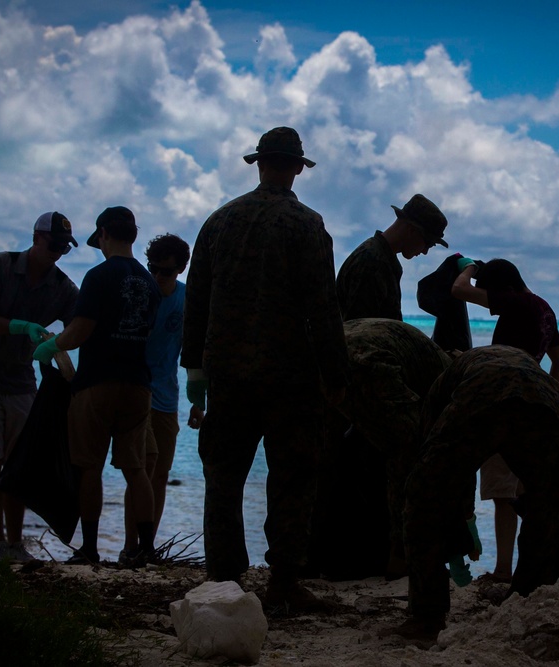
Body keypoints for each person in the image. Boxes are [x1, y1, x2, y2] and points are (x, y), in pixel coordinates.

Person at [180, 127, 349, 611]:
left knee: (224, 478)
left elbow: (197, 303)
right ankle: (283, 584)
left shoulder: (219, 222)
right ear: (297, 167)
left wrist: (194, 369)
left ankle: (224, 581)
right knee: (292, 478)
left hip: (228, 375)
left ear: (259, 163)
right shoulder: (306, 224)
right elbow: (323, 308)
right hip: (290, 378)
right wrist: (337, 378)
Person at [393, 345, 559, 643]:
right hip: (539, 404)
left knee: (421, 493)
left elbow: (432, 466)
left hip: (482, 398)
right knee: (547, 503)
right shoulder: (529, 367)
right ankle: (529, 597)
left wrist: (461, 518)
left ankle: (427, 617)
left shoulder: (449, 379)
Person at [33, 206, 161, 566]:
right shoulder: (149, 282)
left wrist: (51, 345)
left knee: (90, 466)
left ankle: (90, 549)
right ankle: (145, 548)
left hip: (97, 384)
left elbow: (80, 331)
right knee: (136, 468)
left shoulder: (98, 276)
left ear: (103, 234)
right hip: (138, 384)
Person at [0, 211, 79, 562]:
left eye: (64, 247)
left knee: (19, 466)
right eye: (54, 244)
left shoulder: (63, 288)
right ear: (36, 238)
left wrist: (56, 345)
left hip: (23, 382)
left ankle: (15, 543)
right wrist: (21, 327)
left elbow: (80, 325)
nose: (57, 252)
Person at [450, 256, 559, 584]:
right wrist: (547, 396)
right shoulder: (544, 308)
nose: (491, 305)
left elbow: (459, 290)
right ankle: (534, 566)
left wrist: (470, 266)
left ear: (502, 287)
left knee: (503, 494)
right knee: (525, 491)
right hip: (532, 407)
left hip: (504, 403)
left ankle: (503, 569)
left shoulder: (515, 302)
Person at [319, 318, 453, 580]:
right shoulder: (446, 382)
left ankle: (319, 558)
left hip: (325, 349)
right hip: (364, 361)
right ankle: (399, 557)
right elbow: (409, 451)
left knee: (333, 455)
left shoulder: (429, 368)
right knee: (406, 458)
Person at [121, 233, 192, 562]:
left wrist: (200, 399)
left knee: (159, 474)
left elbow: (194, 353)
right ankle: (130, 546)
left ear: (180, 269)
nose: (158, 276)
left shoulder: (186, 299)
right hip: (135, 391)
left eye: (165, 271)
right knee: (139, 470)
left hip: (167, 397)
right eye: (153, 269)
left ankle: (146, 548)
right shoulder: (139, 294)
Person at [336, 193, 449, 322]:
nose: (425, 252)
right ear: (412, 231)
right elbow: (360, 332)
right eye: (428, 243)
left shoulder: (382, 259)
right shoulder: (372, 262)